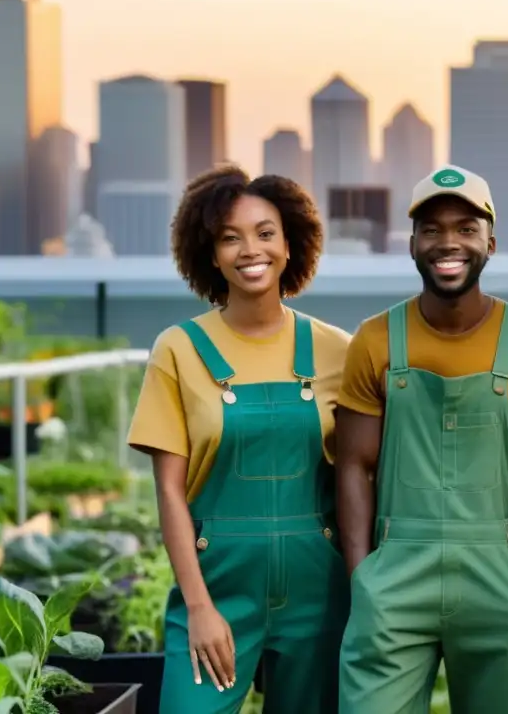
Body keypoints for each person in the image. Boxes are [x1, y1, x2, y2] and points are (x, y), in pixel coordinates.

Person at [334, 165, 508, 714]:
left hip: (497, 572)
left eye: (465, 228)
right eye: (432, 229)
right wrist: (362, 578)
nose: (448, 243)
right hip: (394, 573)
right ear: (412, 243)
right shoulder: (373, 340)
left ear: (490, 241)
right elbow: (352, 467)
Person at [127, 165, 352, 714]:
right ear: (209, 253)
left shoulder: (338, 351)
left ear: (291, 243)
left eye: (265, 232)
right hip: (218, 589)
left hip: (318, 595)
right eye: (231, 237)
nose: (251, 249)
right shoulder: (177, 350)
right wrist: (200, 608)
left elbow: (362, 477)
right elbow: (170, 494)